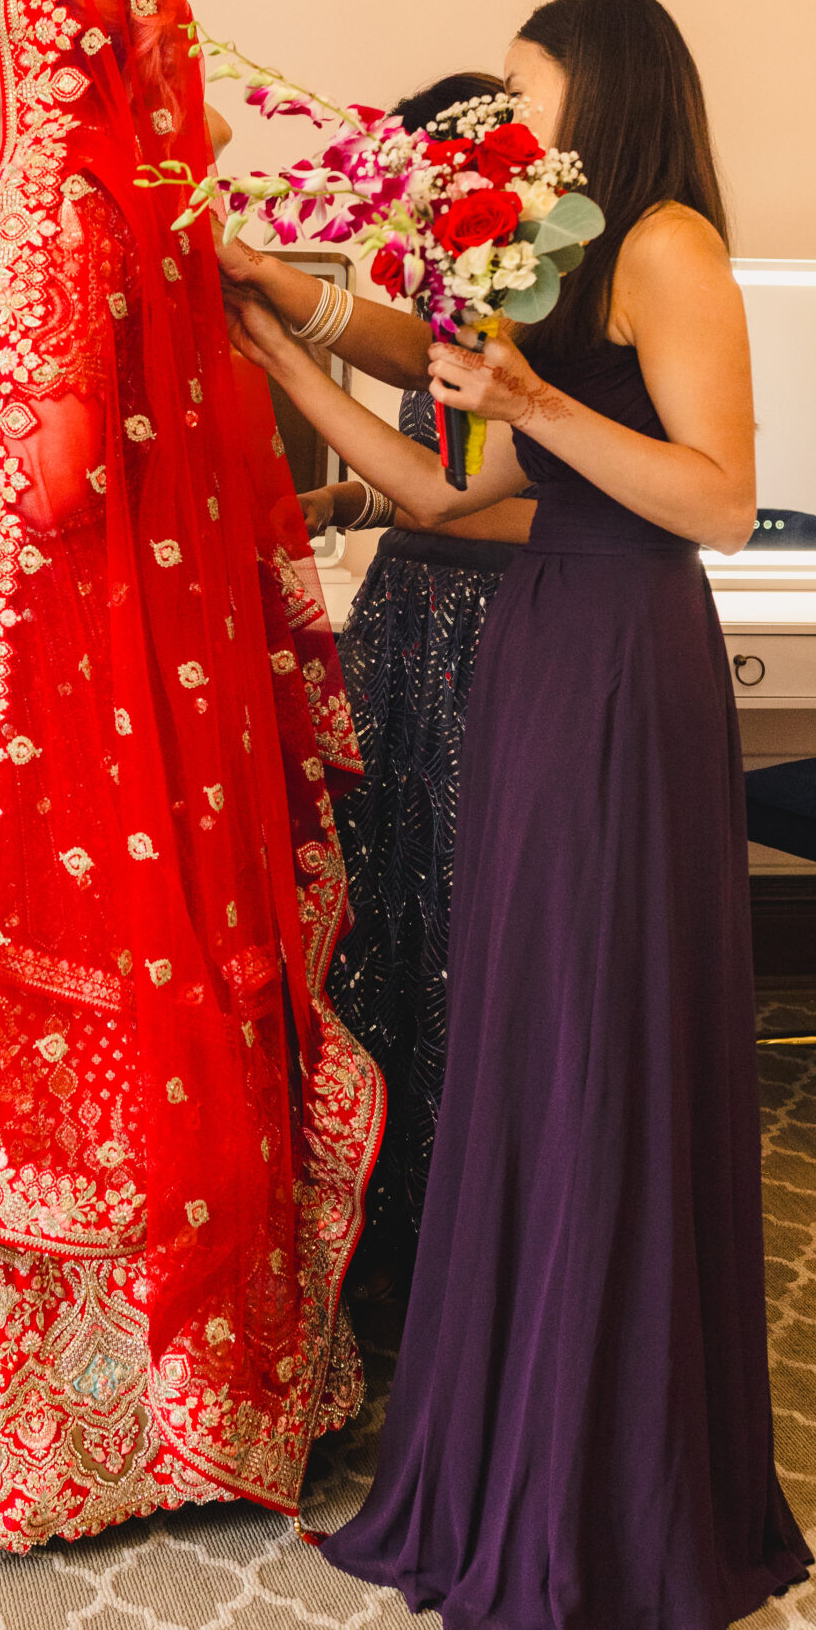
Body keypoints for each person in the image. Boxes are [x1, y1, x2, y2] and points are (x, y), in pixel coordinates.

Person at [226, 0, 810, 1630]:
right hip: (543, 652)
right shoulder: (563, 266)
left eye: (534, 89)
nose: (517, 126)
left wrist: (533, 406)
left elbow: (714, 492)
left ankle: (605, 1473)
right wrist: (278, 327)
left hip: (625, 653)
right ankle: (517, 1440)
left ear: (599, 86)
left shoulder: (670, 245)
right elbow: (434, 488)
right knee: (532, 1036)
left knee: (594, 1042)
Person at [0, 0, 385, 1554]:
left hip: (24, 688)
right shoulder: (21, 197)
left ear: (49, 48)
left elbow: (43, 481)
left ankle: (92, 1419)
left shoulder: (55, 208)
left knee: (29, 997)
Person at [221, 72, 537, 1292]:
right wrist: (350, 498)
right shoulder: (458, 302)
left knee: (457, 923)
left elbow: (485, 498)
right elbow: (427, 454)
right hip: (409, 619)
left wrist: (297, 369)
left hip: (482, 637)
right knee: (387, 907)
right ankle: (386, 1219)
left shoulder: (532, 309)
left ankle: (453, 1235)